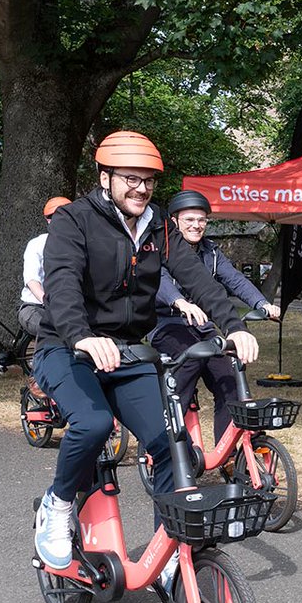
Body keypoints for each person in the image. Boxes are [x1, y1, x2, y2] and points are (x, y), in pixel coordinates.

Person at [31, 131, 258, 573]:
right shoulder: (73, 221)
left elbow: (198, 279)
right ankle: (56, 506)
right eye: (130, 179)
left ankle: (170, 547)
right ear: (105, 177)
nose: (141, 188)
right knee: (94, 423)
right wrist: (81, 335)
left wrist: (233, 326)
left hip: (128, 353)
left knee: (172, 446)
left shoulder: (158, 226)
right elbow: (60, 286)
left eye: (148, 180)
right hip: (67, 347)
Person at [152, 189, 280, 444]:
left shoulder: (210, 252)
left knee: (230, 377)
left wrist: (262, 303)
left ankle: (230, 451)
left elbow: (235, 280)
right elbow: (159, 279)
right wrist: (178, 302)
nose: (196, 225)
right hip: (166, 323)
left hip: (201, 326)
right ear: (174, 221)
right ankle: (167, 439)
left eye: (201, 220)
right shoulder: (162, 248)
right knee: (189, 362)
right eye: (189, 219)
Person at [18, 196, 73, 337]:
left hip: (68, 307)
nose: (59, 220)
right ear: (48, 220)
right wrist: (47, 301)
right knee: (54, 330)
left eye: (66, 215)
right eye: (52, 216)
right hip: (35, 306)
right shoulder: (37, 244)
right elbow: (31, 280)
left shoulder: (80, 245)